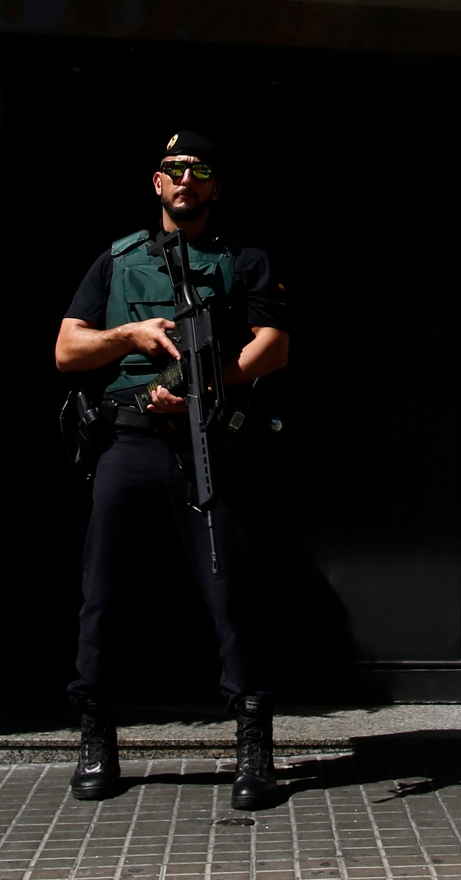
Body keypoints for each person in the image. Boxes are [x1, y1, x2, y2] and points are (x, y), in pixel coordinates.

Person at [54, 132, 290, 809]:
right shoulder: (118, 260)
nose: (186, 180)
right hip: (128, 444)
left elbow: (273, 347)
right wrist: (129, 336)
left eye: (200, 171)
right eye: (173, 169)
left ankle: (254, 742)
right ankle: (97, 733)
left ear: (215, 187)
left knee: (230, 591)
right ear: (156, 183)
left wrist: (207, 387)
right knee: (105, 593)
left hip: (203, 440)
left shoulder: (243, 258)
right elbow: (68, 350)